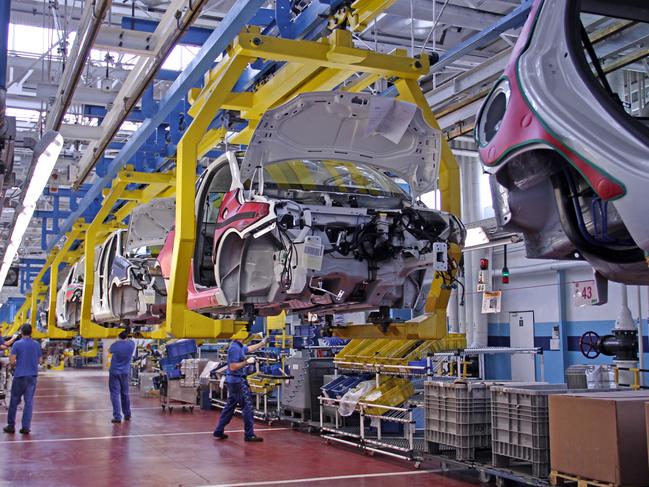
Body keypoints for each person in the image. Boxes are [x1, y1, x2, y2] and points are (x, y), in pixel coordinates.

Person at [213, 336, 267, 442]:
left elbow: (248, 349)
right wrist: (247, 362)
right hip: (237, 382)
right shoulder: (234, 348)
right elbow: (233, 367)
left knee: (230, 407)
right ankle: (249, 434)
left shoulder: (239, 346)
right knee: (247, 407)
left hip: (234, 381)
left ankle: (218, 430)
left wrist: (261, 343)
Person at [4, 324, 42, 434]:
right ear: (31, 332)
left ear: (21, 332)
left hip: (20, 376)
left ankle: (11, 426)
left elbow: (11, 361)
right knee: (29, 402)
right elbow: (39, 361)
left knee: (14, 401)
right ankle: (26, 427)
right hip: (32, 377)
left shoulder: (17, 344)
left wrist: (16, 364)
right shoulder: (36, 344)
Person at [108, 330, 135, 424]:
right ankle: (127, 414)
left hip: (114, 372)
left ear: (119, 337)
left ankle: (117, 417)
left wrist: (116, 341)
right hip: (125, 372)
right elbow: (131, 339)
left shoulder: (115, 345)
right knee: (125, 393)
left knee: (115, 394)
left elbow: (110, 350)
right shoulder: (131, 345)